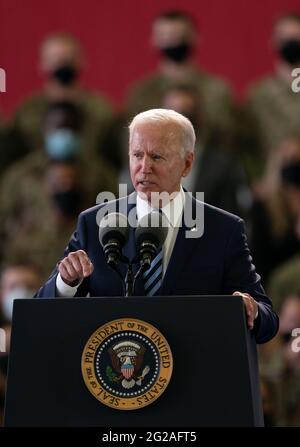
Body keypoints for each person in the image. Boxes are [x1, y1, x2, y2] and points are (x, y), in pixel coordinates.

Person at [36, 109, 278, 344]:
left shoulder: (223, 229)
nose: (144, 167)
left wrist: (251, 309)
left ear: (187, 164)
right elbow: (41, 310)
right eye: (137, 155)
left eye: (157, 157)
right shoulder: (95, 223)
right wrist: (66, 283)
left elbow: (267, 320)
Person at [125, 10, 235, 149]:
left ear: (195, 38)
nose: (174, 42)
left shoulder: (217, 90)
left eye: (180, 36)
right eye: (166, 36)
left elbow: (227, 139)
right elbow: (131, 144)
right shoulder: (142, 93)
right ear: (154, 40)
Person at [6, 32, 114, 167]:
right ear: (42, 64)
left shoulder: (101, 110)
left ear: (82, 62)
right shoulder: (27, 112)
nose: (61, 64)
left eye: (68, 58)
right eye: (55, 58)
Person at [243, 12, 300, 178]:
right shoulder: (258, 95)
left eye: (296, 38)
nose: (291, 44)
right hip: (271, 189)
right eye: (286, 39)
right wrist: (254, 183)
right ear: (273, 42)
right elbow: (245, 146)